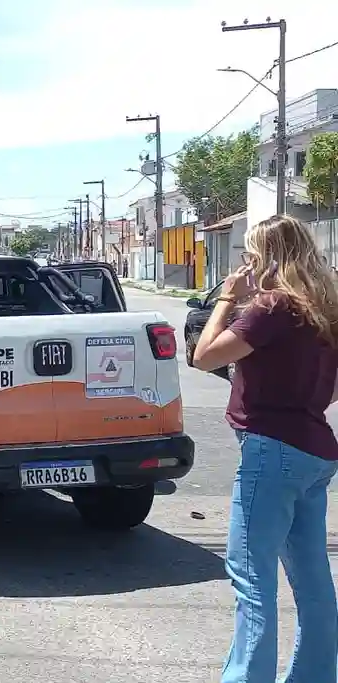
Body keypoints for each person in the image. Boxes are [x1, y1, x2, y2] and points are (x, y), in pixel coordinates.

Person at [192, 214, 338, 683]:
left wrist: (227, 300)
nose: (248, 263)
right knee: (314, 584)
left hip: (271, 452)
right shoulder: (326, 308)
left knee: (252, 580)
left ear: (267, 256)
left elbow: (204, 356)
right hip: (314, 452)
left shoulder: (272, 306)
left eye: (251, 254)